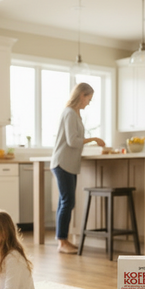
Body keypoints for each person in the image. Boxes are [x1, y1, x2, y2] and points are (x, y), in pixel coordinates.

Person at [51, 82, 106, 254]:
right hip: (63, 163)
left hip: (69, 164)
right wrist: (94, 139)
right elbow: (72, 141)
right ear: (82, 95)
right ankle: (62, 242)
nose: (89, 102)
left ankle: (63, 240)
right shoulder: (69, 113)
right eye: (88, 98)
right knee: (67, 202)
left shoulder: (75, 114)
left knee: (66, 202)